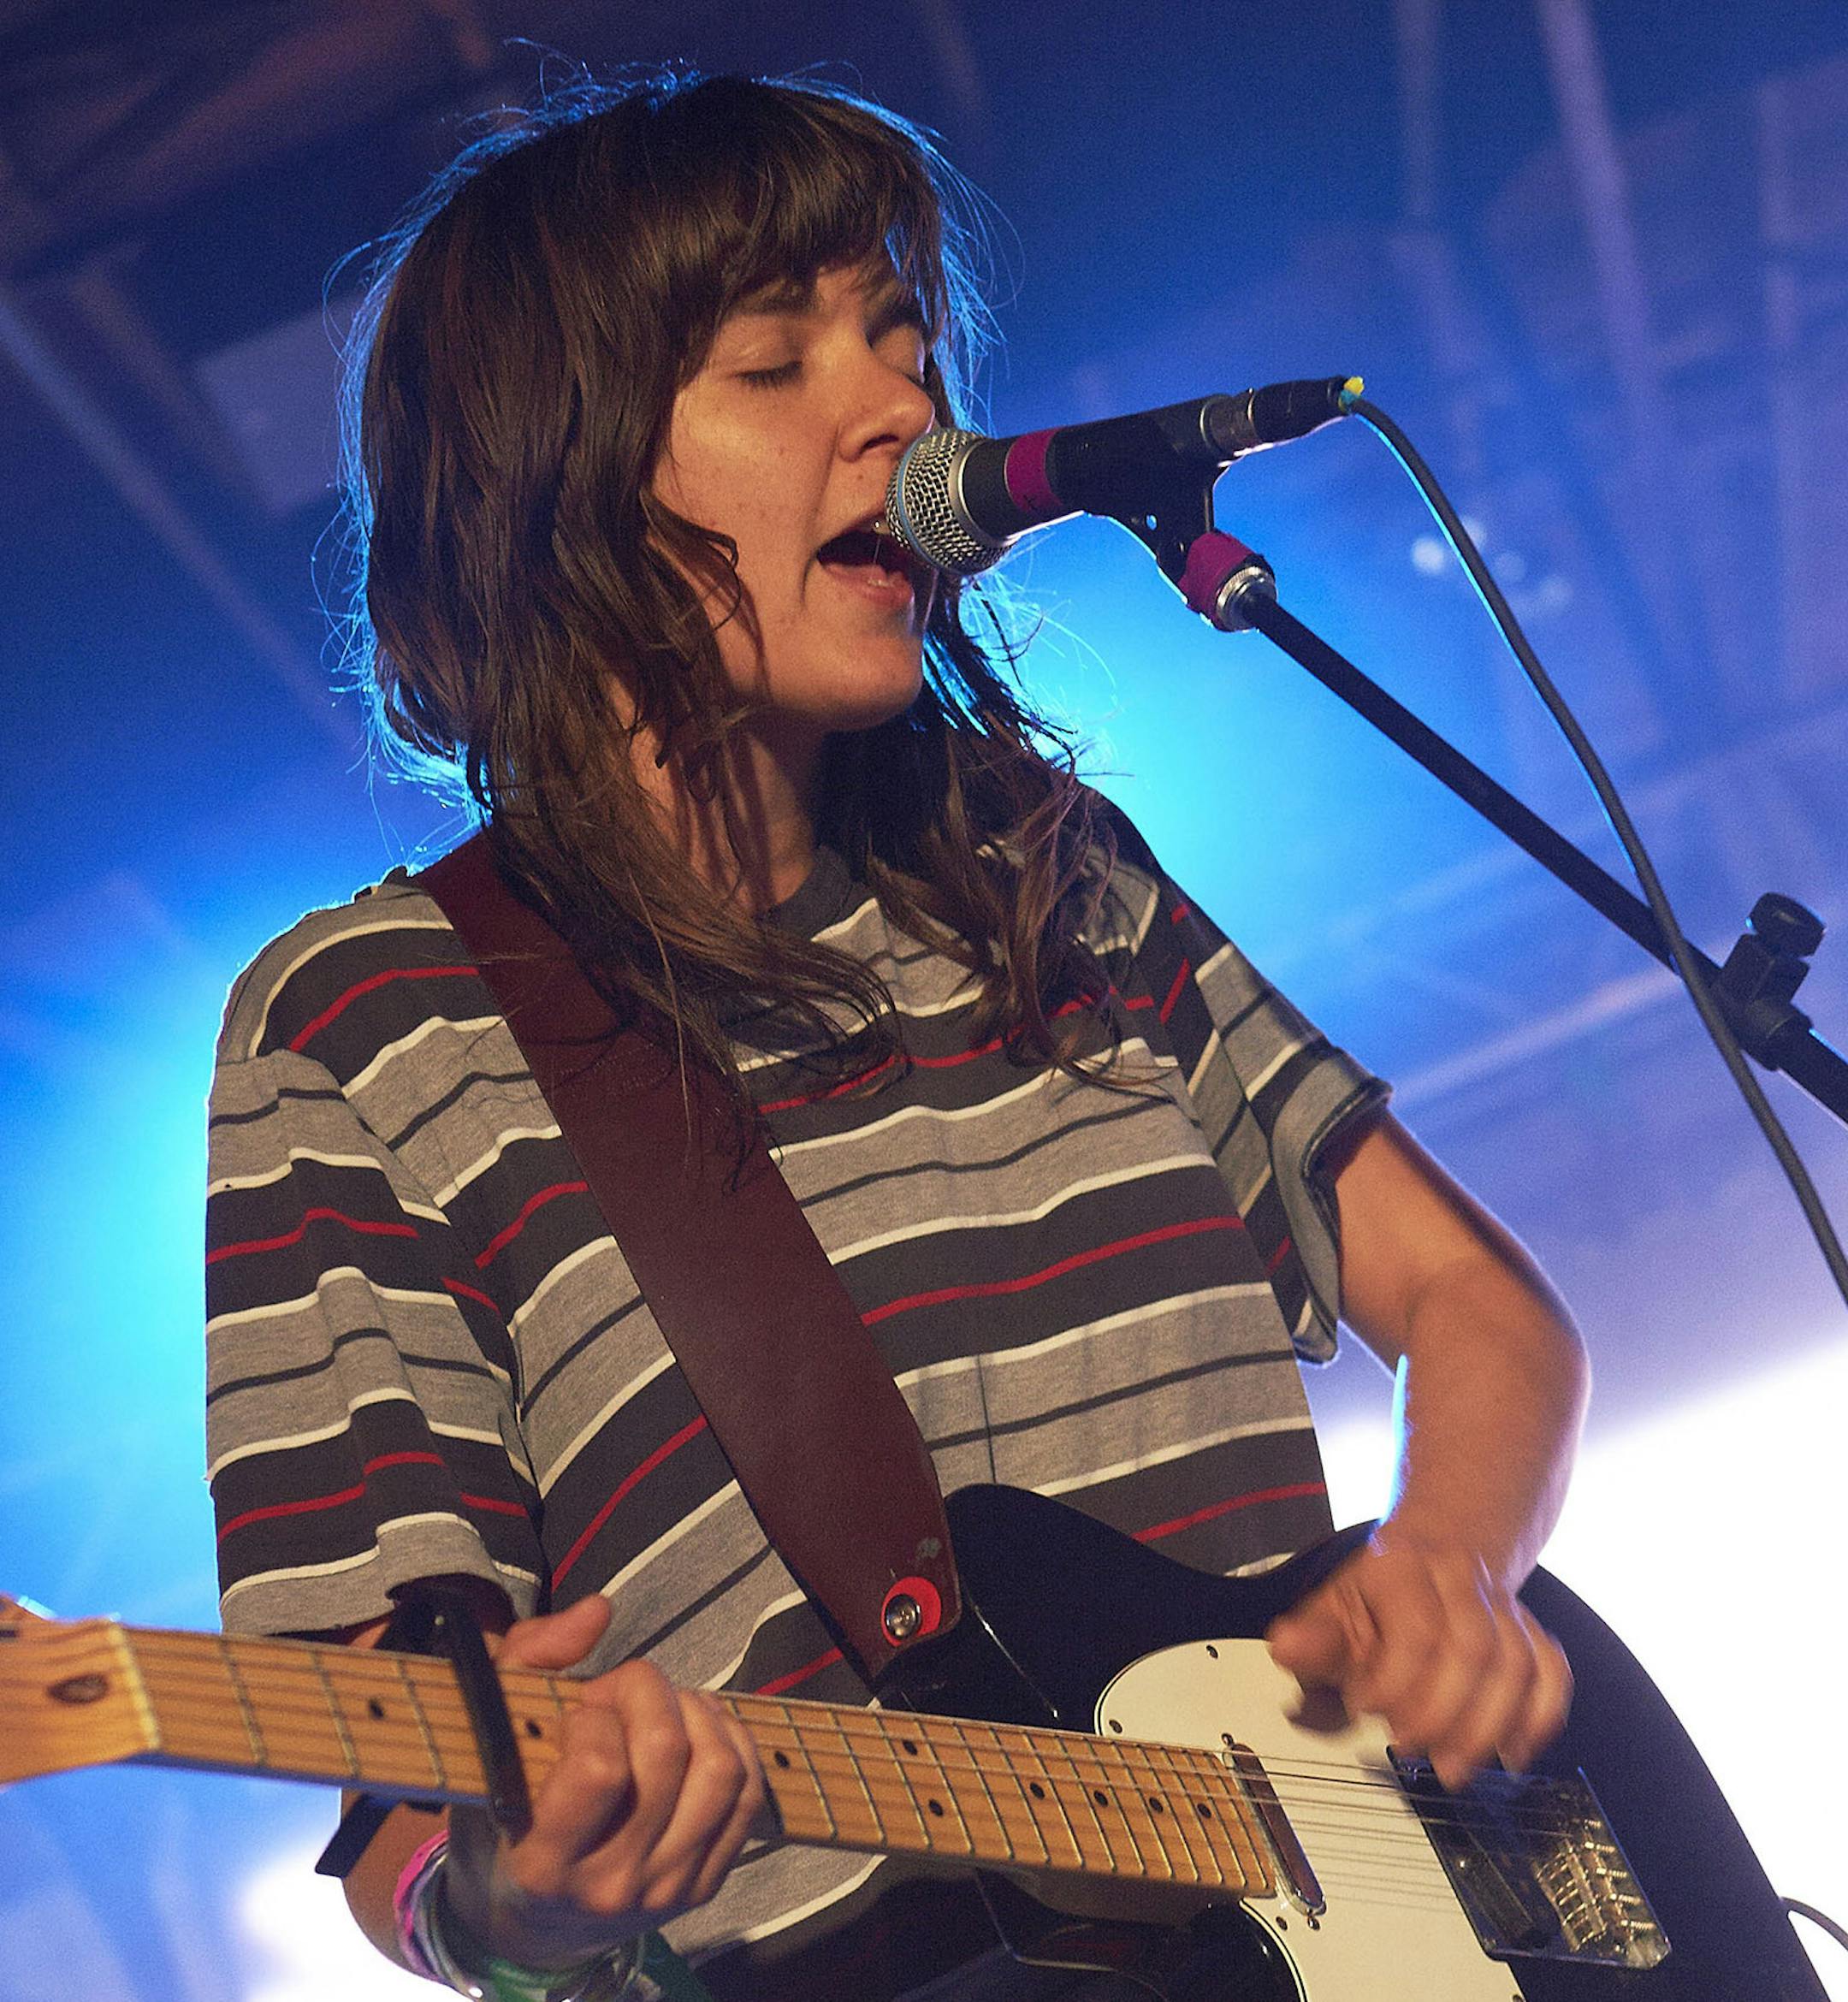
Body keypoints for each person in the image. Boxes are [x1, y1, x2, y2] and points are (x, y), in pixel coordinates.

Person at [203, 68, 1589, 2002]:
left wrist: (1450, 1567)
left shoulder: (1043, 864)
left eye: (901, 339)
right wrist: (534, 1892)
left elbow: (1479, 1298)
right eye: (776, 367)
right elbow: (404, 1817)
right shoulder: (370, 1028)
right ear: (557, 480)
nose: (901, 411)